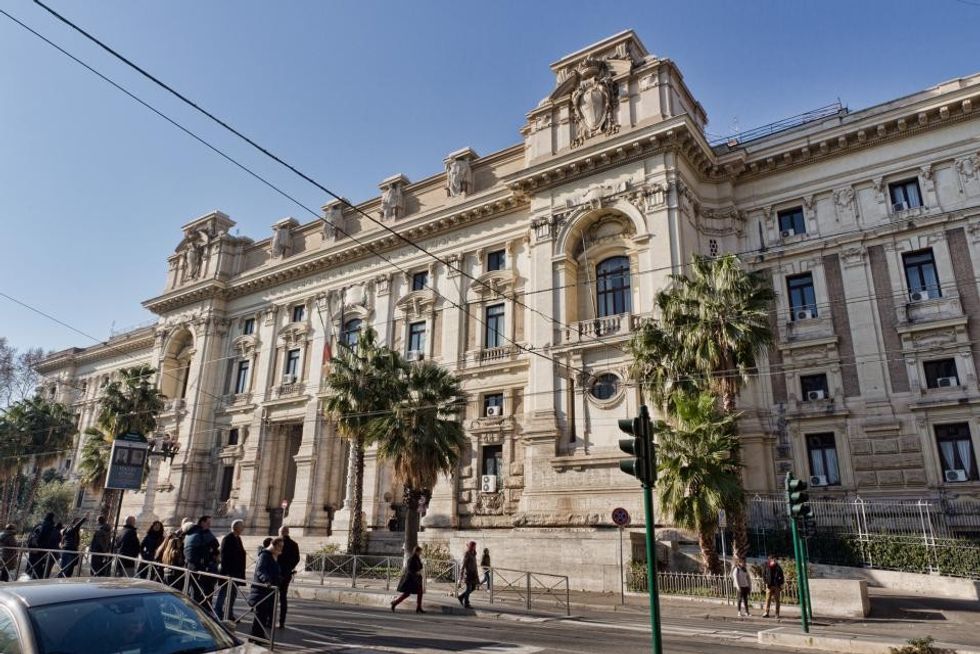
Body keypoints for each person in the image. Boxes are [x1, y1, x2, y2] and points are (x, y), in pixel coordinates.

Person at [248, 537, 283, 643]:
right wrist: (266, 580)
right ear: (274, 545)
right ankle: (254, 638)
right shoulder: (264, 555)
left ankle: (258, 636)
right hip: (261, 591)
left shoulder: (272, 556)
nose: (281, 549)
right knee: (260, 615)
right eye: (280, 546)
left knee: (263, 616)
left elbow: (274, 571)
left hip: (267, 592)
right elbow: (260, 570)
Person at [184, 515, 220, 610]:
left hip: (190, 566)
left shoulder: (189, 534)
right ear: (202, 523)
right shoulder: (202, 533)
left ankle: (192, 611)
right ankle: (202, 614)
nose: (209, 526)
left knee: (194, 592)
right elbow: (216, 544)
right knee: (203, 593)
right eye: (208, 523)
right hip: (201, 568)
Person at [215, 520, 246, 621]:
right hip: (228, 573)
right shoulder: (227, 538)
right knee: (223, 593)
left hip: (236, 572)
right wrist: (227, 573)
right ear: (235, 527)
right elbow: (224, 557)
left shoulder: (238, 538)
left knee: (233, 594)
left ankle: (229, 614)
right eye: (241, 526)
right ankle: (218, 612)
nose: (243, 528)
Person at [157, 519, 193, 589]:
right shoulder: (176, 551)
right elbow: (180, 562)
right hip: (175, 574)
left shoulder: (167, 550)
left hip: (166, 572)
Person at [276, 526, 300, 629]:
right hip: (287, 574)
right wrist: (290, 567)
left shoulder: (277, 542)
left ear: (280, 532)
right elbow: (297, 558)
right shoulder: (294, 544)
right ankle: (282, 622)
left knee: (271, 597)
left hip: (276, 573)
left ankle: (269, 620)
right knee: (283, 597)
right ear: (288, 532)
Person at [391, 545, 424, 613]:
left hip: (416, 579)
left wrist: (420, 568)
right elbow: (409, 569)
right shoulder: (411, 559)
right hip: (410, 579)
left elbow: (420, 567)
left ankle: (419, 607)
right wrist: (416, 573)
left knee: (420, 592)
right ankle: (395, 603)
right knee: (407, 594)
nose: (421, 553)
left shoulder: (417, 558)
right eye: (420, 551)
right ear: (416, 551)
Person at [27, 513, 59, 579]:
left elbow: (30, 537)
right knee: (38, 572)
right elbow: (48, 540)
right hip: (40, 552)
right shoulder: (49, 527)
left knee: (30, 569)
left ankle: (24, 584)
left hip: (32, 550)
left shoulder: (38, 525)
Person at [457, 541, 480, 609]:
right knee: (468, 588)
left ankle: (461, 597)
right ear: (471, 546)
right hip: (468, 574)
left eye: (475, 546)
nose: (475, 547)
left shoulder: (474, 553)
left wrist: (477, 575)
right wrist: (460, 578)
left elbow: (475, 565)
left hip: (473, 574)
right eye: (474, 546)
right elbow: (463, 565)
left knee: (473, 588)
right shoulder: (467, 554)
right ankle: (466, 603)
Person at [762, 554, 785, 619]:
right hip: (769, 585)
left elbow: (782, 576)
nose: (775, 560)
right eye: (773, 559)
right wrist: (766, 583)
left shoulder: (778, 567)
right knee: (768, 599)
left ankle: (777, 614)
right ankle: (766, 612)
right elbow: (763, 575)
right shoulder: (766, 565)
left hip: (776, 585)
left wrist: (781, 584)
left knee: (777, 600)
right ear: (770, 559)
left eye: (775, 559)